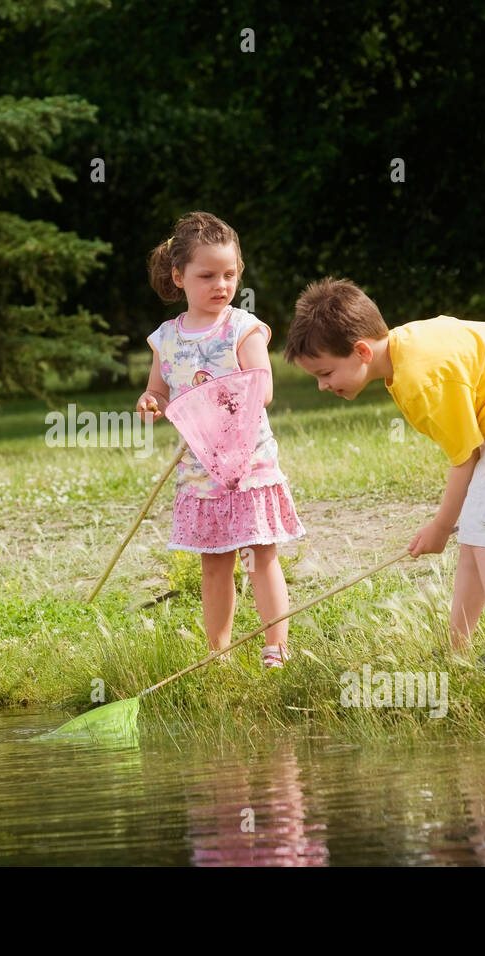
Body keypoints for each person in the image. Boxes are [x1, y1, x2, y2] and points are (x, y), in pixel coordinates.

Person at [284, 277, 485, 673]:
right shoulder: (403, 352)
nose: (323, 386)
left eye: (325, 373)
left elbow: (466, 456)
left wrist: (441, 527)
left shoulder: (421, 379)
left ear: (360, 351)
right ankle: (457, 649)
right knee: (478, 536)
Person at [138, 212, 305, 668]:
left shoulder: (241, 328)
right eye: (207, 275)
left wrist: (214, 400)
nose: (221, 285)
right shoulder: (167, 339)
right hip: (199, 471)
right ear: (179, 277)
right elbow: (159, 389)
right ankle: (220, 652)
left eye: (230, 274)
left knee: (260, 555)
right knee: (214, 563)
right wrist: (151, 402)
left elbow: (263, 388)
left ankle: (276, 646)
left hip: (246, 465)